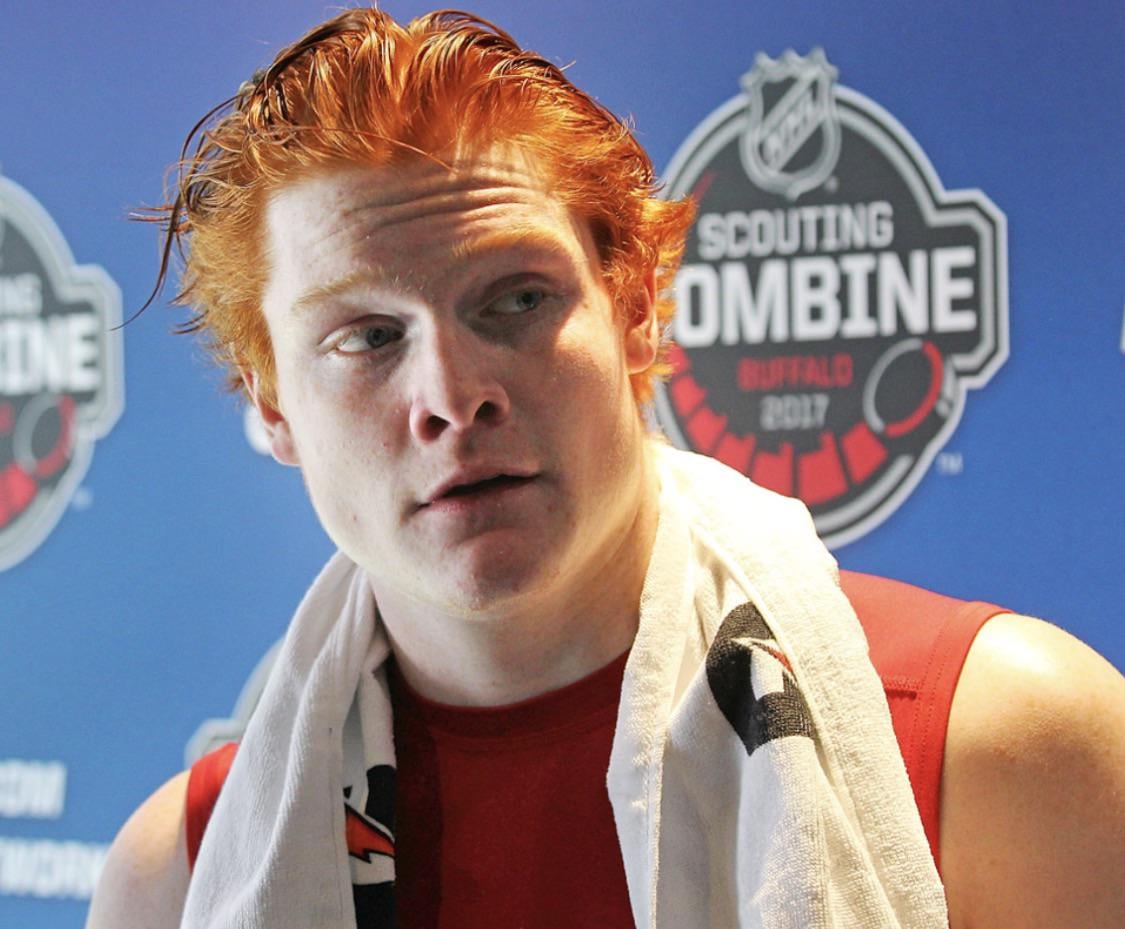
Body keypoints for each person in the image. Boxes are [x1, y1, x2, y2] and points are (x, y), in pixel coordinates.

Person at [88, 9, 1124, 929]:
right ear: (272, 404)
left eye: (516, 299)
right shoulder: (179, 875)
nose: (453, 394)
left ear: (634, 312)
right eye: (366, 335)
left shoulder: (1003, 746)